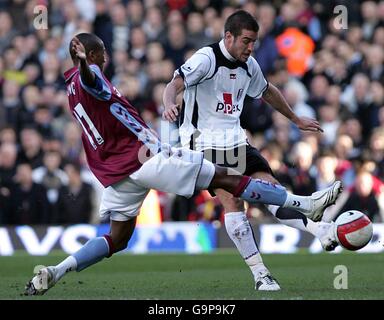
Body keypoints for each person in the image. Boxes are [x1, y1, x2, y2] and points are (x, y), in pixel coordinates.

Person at [24, 33, 342, 296]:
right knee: (227, 179)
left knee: (117, 238)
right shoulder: (91, 78)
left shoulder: (70, 87)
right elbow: (92, 79)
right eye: (101, 53)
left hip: (115, 174)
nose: (106, 58)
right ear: (92, 54)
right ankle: (306, 204)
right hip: (142, 157)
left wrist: (81, 65)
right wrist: (85, 63)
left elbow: (89, 86)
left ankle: (56, 270)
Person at [163, 10, 341, 291]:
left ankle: (319, 229)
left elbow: (268, 91)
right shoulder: (206, 59)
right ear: (229, 36)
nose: (250, 47)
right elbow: (174, 85)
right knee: (234, 202)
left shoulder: (249, 65)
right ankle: (261, 274)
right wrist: (169, 104)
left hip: (236, 141)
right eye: (246, 41)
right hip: (202, 143)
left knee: (270, 188)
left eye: (254, 42)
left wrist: (295, 119)